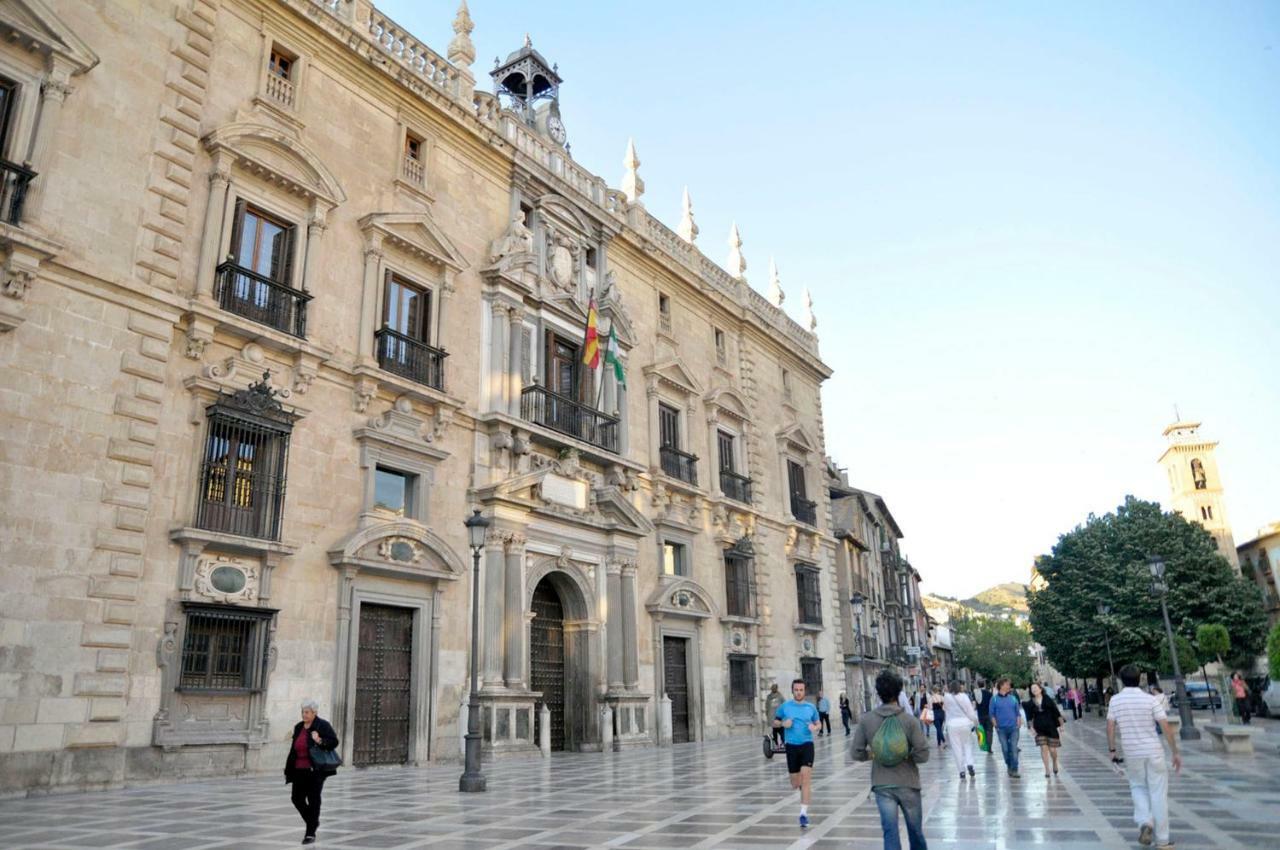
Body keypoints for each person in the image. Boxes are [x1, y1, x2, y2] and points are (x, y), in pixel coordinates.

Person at [852, 669, 931, 850]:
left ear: (878, 694)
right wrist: (905, 753)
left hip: (882, 785)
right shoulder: (910, 721)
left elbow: (856, 753)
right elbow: (923, 755)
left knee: (890, 832)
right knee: (915, 832)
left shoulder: (867, 720)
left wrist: (873, 754)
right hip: (908, 783)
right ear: (899, 692)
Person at [1108, 664, 1182, 850]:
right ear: (1139, 679)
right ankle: (1163, 840)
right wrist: (1175, 752)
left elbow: (1110, 726)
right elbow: (1165, 726)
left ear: (1121, 680)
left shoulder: (1115, 700)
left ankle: (1145, 822)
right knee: (1158, 793)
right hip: (1153, 751)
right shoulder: (1150, 700)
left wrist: (1112, 751)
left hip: (1132, 752)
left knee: (1137, 787)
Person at [285, 699, 340, 845]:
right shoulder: (298, 727)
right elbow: (293, 748)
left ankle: (310, 833)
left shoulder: (322, 725)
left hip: (315, 770)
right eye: (303, 712)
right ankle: (313, 821)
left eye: (307, 712)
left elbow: (334, 741)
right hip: (298, 769)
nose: (304, 714)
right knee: (296, 798)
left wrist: (320, 740)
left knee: (314, 799)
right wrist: (288, 768)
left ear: (314, 713)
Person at [773, 678, 822, 828]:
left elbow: (818, 723)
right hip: (791, 747)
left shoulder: (811, 707)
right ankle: (800, 786)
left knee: (806, 779)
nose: (799, 692)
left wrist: (816, 728)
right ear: (792, 691)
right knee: (795, 783)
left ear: (804, 691)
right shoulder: (785, 707)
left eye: (801, 690)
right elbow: (775, 722)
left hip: (807, 745)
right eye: (796, 690)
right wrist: (782, 724)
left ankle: (803, 814)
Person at [1023, 682, 1064, 777]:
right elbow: (1029, 717)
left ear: (1040, 689)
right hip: (1039, 728)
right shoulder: (1030, 703)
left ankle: (1054, 762)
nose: (1034, 690)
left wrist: (1061, 725)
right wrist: (1031, 728)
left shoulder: (1048, 699)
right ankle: (1047, 770)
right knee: (1043, 748)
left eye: (1035, 688)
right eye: (1032, 689)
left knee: (1052, 750)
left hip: (1051, 727)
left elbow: (1056, 712)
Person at [942, 680, 979, 780]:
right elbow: (970, 712)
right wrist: (976, 722)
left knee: (956, 748)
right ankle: (970, 764)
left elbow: (945, 709)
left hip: (952, 725)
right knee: (967, 745)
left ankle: (961, 771)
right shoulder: (964, 696)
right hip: (965, 724)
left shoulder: (947, 697)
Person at [990, 678, 1023, 777]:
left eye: (1009, 685)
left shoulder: (1013, 698)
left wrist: (1018, 723)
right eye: (1007, 684)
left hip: (1014, 728)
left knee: (1013, 748)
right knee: (1005, 749)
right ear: (1001, 686)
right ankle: (1009, 765)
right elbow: (991, 714)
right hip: (1001, 729)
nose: (1009, 686)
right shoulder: (994, 699)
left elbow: (1018, 713)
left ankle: (1015, 769)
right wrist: (996, 726)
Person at [974, 679, 994, 754]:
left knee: (982, 731)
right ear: (984, 685)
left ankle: (984, 745)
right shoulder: (989, 693)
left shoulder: (976, 693)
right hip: (988, 715)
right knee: (990, 731)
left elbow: (975, 705)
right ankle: (989, 747)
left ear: (978, 685)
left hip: (980, 715)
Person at [765, 683, 786, 748]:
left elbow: (767, 707)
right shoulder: (780, 696)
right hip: (778, 717)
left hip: (772, 718)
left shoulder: (769, 697)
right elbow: (784, 705)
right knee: (781, 730)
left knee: (775, 731)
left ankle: (777, 744)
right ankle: (782, 743)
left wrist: (768, 715)